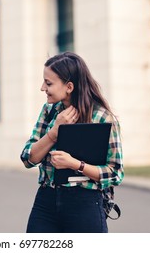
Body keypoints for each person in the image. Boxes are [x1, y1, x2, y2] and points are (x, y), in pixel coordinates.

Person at [20, 51, 123, 233]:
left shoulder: (103, 118)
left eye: (49, 83)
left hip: (85, 204)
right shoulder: (49, 111)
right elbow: (28, 159)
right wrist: (54, 132)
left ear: (69, 87)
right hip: (46, 202)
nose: (42, 88)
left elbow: (115, 173)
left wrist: (75, 164)